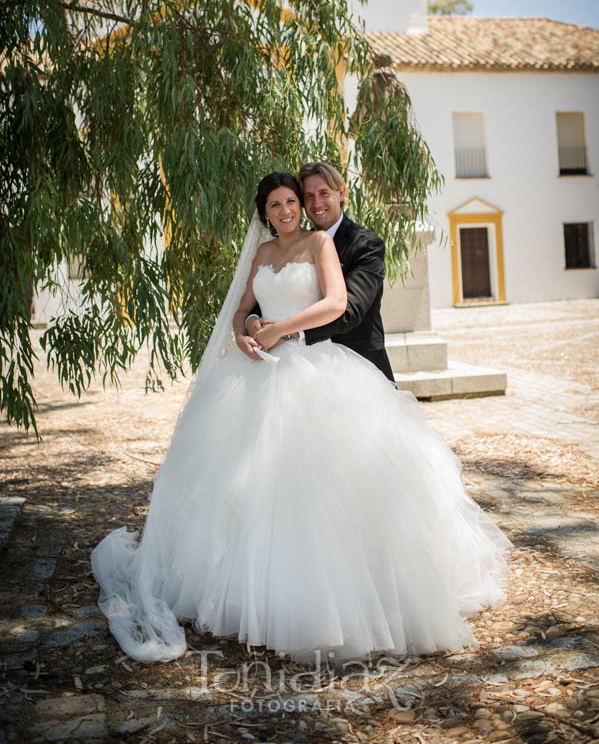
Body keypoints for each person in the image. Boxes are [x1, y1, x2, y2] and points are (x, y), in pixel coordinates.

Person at [91, 171, 511, 667]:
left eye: (296, 200)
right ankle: (246, 589)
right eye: (279, 203)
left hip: (317, 367)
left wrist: (281, 331)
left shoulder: (321, 244)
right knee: (244, 484)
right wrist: (249, 330)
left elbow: (338, 303)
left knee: (327, 483)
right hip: (259, 375)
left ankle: (351, 596)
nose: (290, 209)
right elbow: (243, 308)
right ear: (264, 212)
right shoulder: (264, 255)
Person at [237, 161, 394, 382]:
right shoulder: (290, 245)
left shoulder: (366, 245)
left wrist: (287, 333)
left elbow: (350, 311)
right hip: (280, 362)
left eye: (324, 193)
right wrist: (251, 321)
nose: (317, 203)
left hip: (358, 362)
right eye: (309, 196)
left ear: (341, 193)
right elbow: (265, 297)